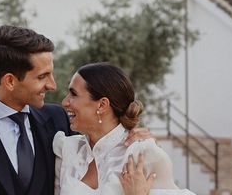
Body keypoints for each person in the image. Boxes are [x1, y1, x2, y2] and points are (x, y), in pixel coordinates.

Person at [0, 26, 149, 195]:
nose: (52, 85)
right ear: (9, 81)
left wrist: (131, 135)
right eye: (42, 76)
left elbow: (102, 147)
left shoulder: (58, 120)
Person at [54, 62, 194, 195]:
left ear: (102, 105)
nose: (65, 102)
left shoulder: (141, 155)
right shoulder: (67, 150)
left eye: (73, 94)